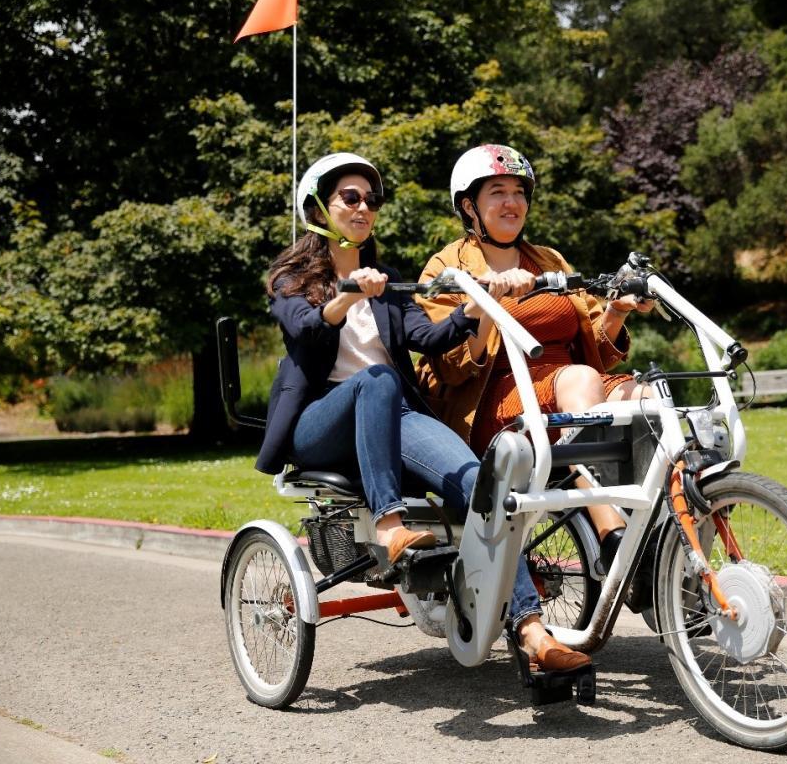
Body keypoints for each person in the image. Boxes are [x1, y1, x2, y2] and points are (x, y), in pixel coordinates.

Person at [254, 152, 589, 672]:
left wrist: (476, 306)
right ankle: (389, 525)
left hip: (392, 418)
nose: (364, 206)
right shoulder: (289, 278)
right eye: (351, 197)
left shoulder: (387, 281)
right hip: (321, 424)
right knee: (378, 379)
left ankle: (531, 630)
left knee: (485, 488)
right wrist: (346, 296)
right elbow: (306, 328)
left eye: (372, 199)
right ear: (318, 208)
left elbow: (429, 338)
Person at [415, 144, 656, 565]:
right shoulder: (446, 268)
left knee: (656, 401)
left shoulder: (549, 259)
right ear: (470, 206)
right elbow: (452, 368)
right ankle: (612, 534)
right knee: (580, 380)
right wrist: (488, 299)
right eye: (498, 192)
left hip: (571, 386)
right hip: (494, 401)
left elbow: (598, 351)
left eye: (519, 192)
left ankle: (664, 536)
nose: (512, 202)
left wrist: (617, 309)